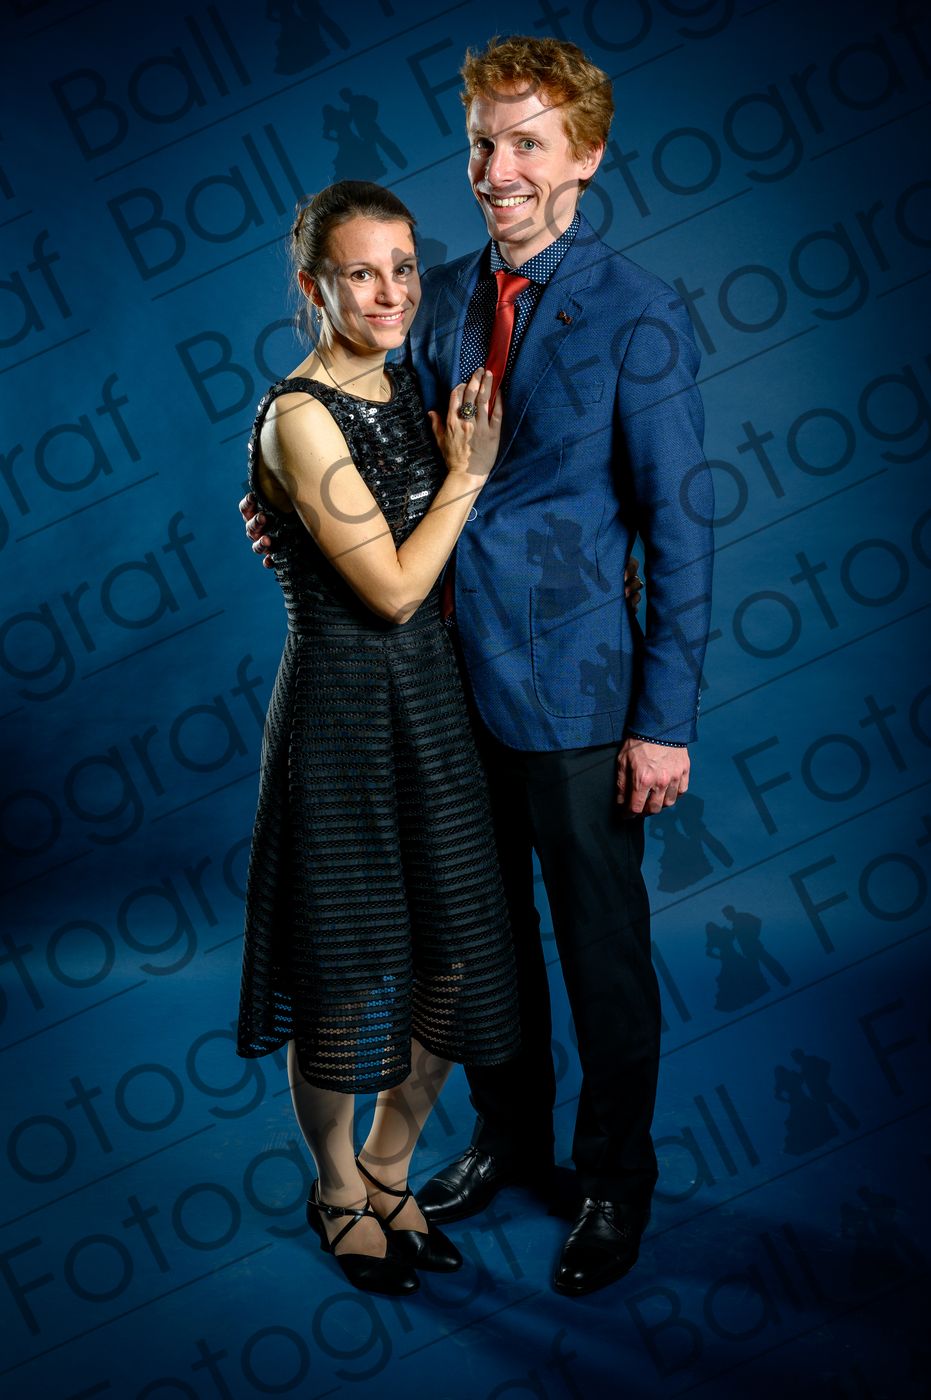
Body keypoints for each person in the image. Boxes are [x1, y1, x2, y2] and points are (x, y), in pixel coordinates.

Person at [244, 34, 713, 1298]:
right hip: (439, 692)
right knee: (478, 943)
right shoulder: (437, 293)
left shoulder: (639, 313)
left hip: (578, 698)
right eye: (481, 143)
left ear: (586, 157)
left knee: (600, 950)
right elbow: (358, 446)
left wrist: (662, 718)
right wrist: (276, 509)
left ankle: (612, 1176)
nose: (497, 170)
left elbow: (680, 529)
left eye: (528, 145)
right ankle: (508, 1137)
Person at [235, 179, 525, 1297]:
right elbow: (398, 591)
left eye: (403, 267)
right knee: (347, 973)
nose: (391, 291)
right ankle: (336, 1188)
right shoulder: (299, 415)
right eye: (361, 272)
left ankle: (391, 1165)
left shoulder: (410, 379)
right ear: (314, 286)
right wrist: (466, 476)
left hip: (433, 707)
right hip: (342, 714)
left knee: (459, 955)